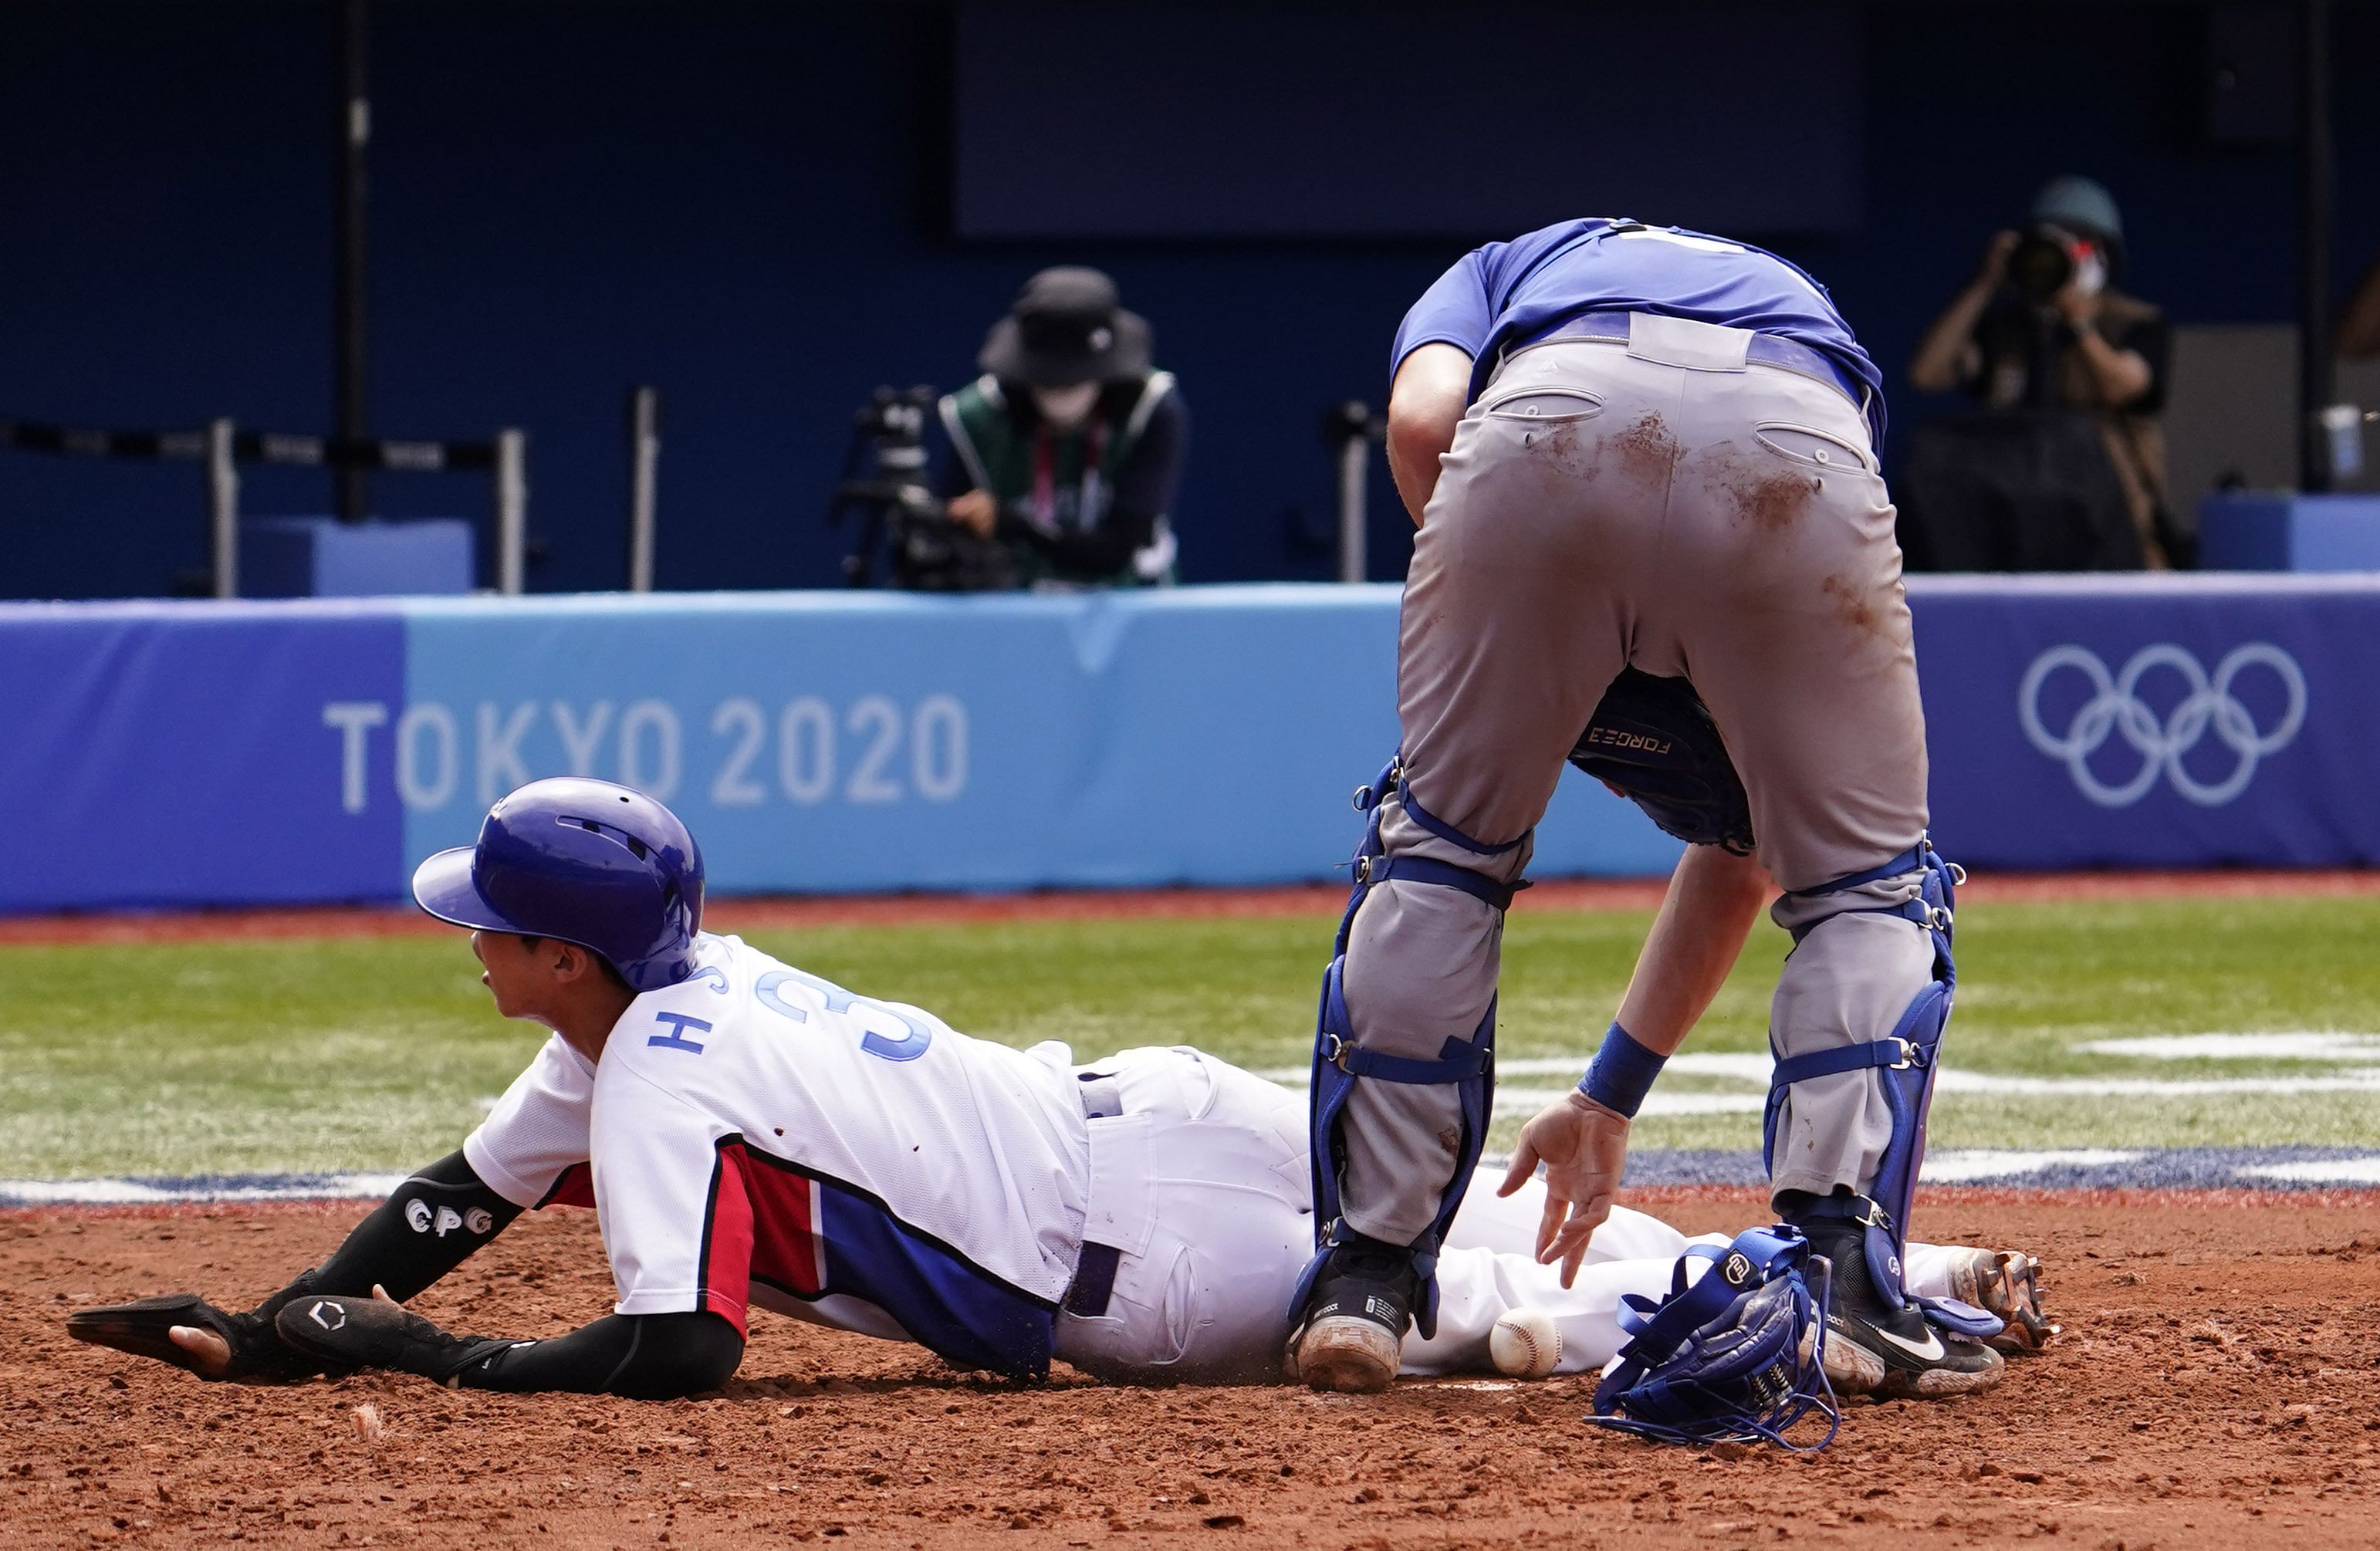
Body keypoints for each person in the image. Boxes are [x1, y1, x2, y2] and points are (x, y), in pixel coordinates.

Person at [65, 779, 2049, 1404]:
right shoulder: (681, 991)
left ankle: (1808, 1315)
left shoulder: (656, 1075)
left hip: (1131, 1265)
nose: (471, 949)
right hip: (1150, 1109)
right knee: (1473, 1233)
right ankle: (1908, 1259)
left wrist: (417, 1357)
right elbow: (464, 1190)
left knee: (1488, 1319)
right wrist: (275, 1327)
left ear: (565, 958)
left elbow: (679, 1355)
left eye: (489, 929)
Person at [1283, 216, 2010, 1403]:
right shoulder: (1797, 299)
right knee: (1864, 889)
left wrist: (1531, 633)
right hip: (1791, 438)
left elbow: (1423, 426)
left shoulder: (1493, 272)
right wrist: (1606, 1092)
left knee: (1441, 861)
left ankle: (1364, 1280)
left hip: (1542, 434)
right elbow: (1751, 856)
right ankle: (1838, 1280)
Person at [1904, 176, 2179, 569]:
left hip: (2109, 530)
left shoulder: (2134, 323)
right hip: (2011, 530)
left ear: (2104, 255)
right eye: (2051, 242)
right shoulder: (2007, 329)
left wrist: (2078, 323)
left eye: (2080, 244)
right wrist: (1987, 281)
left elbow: (2125, 388)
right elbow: (1927, 375)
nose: (2064, 256)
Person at [938, 268, 1188, 588]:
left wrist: (1016, 526)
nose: (1061, 394)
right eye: (1048, 383)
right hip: (1017, 612)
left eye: (1076, 381)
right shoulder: (975, 417)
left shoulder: (1153, 408)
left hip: (1134, 607)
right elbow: (953, 534)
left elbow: (1117, 551)